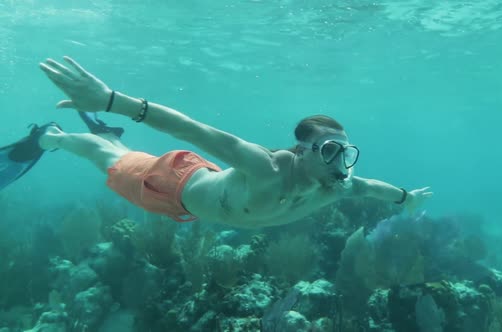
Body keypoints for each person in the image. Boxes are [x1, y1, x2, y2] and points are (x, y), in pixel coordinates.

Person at [36, 56, 433, 228]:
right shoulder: (264, 167)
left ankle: (97, 130)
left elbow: (373, 188)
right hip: (171, 185)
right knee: (104, 156)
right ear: (302, 151)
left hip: (206, 186)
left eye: (346, 151)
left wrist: (406, 199)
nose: (341, 162)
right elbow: (191, 128)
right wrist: (111, 101)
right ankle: (54, 138)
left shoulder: (337, 185)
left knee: (115, 150)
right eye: (330, 150)